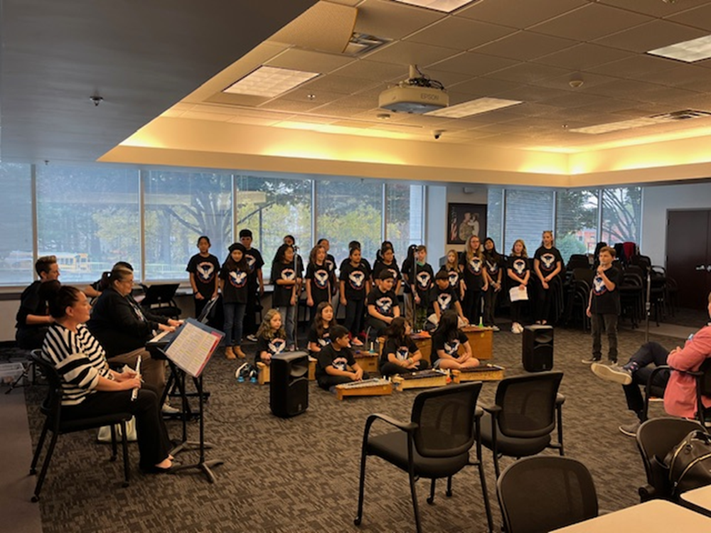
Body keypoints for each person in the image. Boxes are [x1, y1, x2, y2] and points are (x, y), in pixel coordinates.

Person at [41, 286, 173, 473]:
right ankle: (153, 461)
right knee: (147, 398)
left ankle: (161, 451)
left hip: (88, 393)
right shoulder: (63, 339)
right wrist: (122, 386)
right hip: (76, 404)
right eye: (84, 304)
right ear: (70, 311)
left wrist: (118, 376)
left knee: (150, 391)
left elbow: (97, 363)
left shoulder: (78, 329)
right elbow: (88, 379)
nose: (89, 307)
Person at [591, 291, 711, 436]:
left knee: (634, 375)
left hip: (688, 379)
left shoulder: (707, 335)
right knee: (652, 347)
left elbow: (679, 363)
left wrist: (675, 354)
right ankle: (627, 369)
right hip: (697, 375)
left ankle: (642, 420)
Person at [87, 265, 180, 405]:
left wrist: (169, 321)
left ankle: (158, 398)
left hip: (128, 345)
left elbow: (144, 315)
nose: (132, 284)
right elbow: (131, 325)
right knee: (152, 356)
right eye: (129, 281)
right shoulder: (112, 298)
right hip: (115, 350)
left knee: (157, 351)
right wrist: (160, 326)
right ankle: (154, 403)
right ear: (117, 283)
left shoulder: (124, 296)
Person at [583, 246, 620, 365]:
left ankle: (612, 358)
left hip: (610, 306)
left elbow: (611, 287)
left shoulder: (615, 272)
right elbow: (593, 289)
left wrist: (602, 274)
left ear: (612, 258)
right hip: (596, 304)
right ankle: (596, 355)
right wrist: (589, 305)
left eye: (606, 256)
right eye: (600, 256)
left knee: (610, 332)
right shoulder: (596, 270)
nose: (602, 258)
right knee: (595, 332)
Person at [16, 255, 61, 350]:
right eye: (55, 272)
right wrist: (50, 319)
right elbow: (23, 317)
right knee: (62, 338)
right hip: (30, 334)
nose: (58, 274)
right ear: (44, 274)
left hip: (40, 330)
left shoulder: (50, 289)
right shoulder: (35, 290)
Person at [315, 325, 369, 391]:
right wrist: (349, 374)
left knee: (365, 375)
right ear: (338, 340)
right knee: (344, 379)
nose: (348, 340)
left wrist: (359, 372)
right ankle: (336, 387)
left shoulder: (346, 350)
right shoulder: (325, 351)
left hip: (342, 374)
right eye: (346, 338)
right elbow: (329, 370)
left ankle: (349, 384)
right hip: (327, 377)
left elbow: (355, 365)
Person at [220, 243, 249, 359]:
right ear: (231, 254)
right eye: (234, 253)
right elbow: (221, 281)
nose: (237, 256)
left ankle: (238, 346)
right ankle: (228, 347)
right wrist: (224, 294)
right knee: (229, 323)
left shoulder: (246, 267)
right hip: (229, 298)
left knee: (239, 323)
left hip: (242, 297)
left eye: (239, 253)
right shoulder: (226, 266)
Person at [271, 243, 302, 350]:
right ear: (282, 254)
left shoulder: (294, 265)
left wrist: (294, 296)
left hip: (291, 296)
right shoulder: (277, 265)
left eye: (292, 252)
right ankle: (281, 341)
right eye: (289, 253)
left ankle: (291, 342)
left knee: (290, 321)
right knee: (281, 321)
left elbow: (297, 282)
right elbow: (278, 281)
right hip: (280, 297)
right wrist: (293, 281)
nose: (291, 255)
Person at [339, 245, 371, 347]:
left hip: (360, 296)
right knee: (350, 318)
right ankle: (344, 337)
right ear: (350, 256)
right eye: (355, 255)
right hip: (350, 296)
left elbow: (366, 282)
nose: (357, 257)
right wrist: (342, 297)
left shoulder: (362, 268)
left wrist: (367, 296)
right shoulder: (346, 268)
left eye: (359, 255)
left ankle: (355, 337)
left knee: (358, 317)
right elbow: (342, 283)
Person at [239, 229, 265, 343]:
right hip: (239, 285)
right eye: (243, 239)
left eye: (247, 239)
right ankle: (238, 333)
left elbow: (259, 269)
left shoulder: (255, 253)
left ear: (251, 240)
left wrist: (261, 283)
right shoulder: (237, 252)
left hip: (252, 285)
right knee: (239, 309)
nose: (245, 241)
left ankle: (251, 332)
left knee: (251, 308)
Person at [186, 235, 220, 319]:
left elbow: (216, 276)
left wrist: (215, 291)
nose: (203, 246)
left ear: (209, 245)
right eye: (201, 244)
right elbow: (191, 277)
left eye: (205, 243)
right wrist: (196, 292)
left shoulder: (214, 259)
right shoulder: (194, 259)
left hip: (211, 293)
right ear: (198, 246)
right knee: (200, 316)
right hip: (199, 293)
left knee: (212, 317)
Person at [533, 230, 563, 325]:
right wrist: (542, 279)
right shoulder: (539, 251)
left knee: (548, 299)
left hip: (551, 278)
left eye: (547, 237)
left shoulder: (555, 251)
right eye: (544, 237)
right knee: (541, 298)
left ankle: (545, 319)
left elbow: (559, 267)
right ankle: (538, 317)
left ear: (551, 238)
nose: (546, 239)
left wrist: (550, 276)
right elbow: (536, 266)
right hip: (541, 277)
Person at [460, 235, 488, 327]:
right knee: (469, 304)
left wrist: (486, 282)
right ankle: (467, 322)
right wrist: (462, 281)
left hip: (478, 283)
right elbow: (461, 269)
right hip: (468, 283)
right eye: (473, 241)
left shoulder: (481, 256)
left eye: (477, 241)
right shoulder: (465, 255)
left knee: (477, 305)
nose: (475, 243)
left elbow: (483, 270)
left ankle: (475, 323)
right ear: (469, 243)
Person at [366, 270, 400, 337]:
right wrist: (385, 318)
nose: (390, 284)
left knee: (399, 325)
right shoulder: (373, 293)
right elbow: (371, 311)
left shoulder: (392, 293)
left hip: (389, 316)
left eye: (392, 282)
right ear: (381, 281)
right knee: (383, 327)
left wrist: (396, 318)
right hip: (376, 317)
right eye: (388, 281)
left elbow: (396, 307)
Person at [507, 239, 530, 334]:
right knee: (514, 304)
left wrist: (524, 282)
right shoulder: (511, 259)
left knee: (520, 303)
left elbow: (528, 272)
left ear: (523, 248)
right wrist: (520, 280)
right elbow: (509, 273)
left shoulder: (525, 259)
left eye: (520, 246)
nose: (518, 247)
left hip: (522, 285)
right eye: (516, 245)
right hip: (513, 284)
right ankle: (514, 322)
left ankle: (518, 321)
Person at [410, 245, 434, 331]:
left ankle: (423, 330)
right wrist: (415, 295)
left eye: (422, 253)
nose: (420, 255)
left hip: (426, 294)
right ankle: (417, 330)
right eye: (418, 253)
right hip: (418, 294)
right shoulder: (414, 268)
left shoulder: (428, 267)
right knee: (417, 315)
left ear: (425, 254)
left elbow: (432, 282)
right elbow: (412, 283)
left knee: (425, 314)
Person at [482, 237, 503, 331]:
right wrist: (491, 282)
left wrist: (498, 282)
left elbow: (500, 270)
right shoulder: (482, 256)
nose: (488, 245)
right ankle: (486, 322)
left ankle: (492, 322)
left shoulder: (498, 256)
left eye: (490, 243)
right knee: (487, 303)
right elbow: (484, 270)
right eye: (486, 243)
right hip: (487, 282)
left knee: (493, 304)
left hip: (496, 282)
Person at [305, 244, 332, 314]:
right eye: (319, 253)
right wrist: (309, 297)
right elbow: (308, 282)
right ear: (315, 254)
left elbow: (328, 282)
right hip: (315, 294)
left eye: (323, 253)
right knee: (315, 314)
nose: (321, 255)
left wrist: (329, 298)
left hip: (324, 294)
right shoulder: (311, 266)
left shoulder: (326, 266)